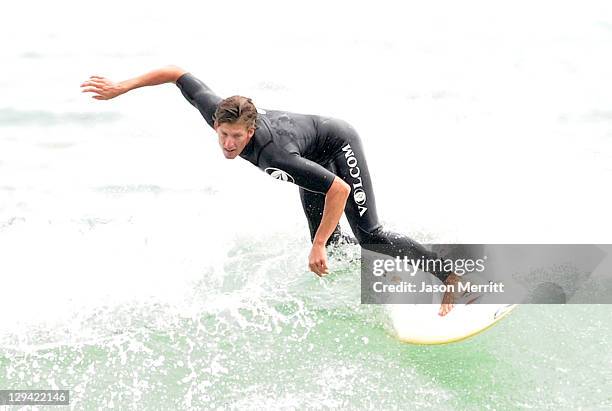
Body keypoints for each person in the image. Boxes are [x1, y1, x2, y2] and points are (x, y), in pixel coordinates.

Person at [80, 65, 463, 316]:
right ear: (216, 123)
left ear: (250, 132)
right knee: (329, 243)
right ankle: (396, 268)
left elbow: (339, 190)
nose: (228, 144)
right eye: (223, 135)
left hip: (335, 145)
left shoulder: (271, 153)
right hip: (309, 155)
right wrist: (122, 87)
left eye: (236, 137)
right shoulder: (217, 109)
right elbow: (178, 74)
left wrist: (314, 246)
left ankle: (449, 276)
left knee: (369, 235)